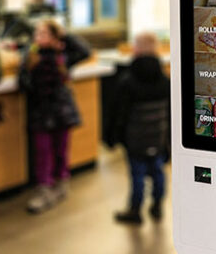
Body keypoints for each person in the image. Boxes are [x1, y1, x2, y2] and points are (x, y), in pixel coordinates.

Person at [20, 20, 90, 213]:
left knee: (61, 149)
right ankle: (44, 188)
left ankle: (61, 183)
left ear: (54, 38)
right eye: (36, 34)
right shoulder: (31, 57)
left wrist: (64, 34)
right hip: (40, 112)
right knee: (42, 151)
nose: (37, 37)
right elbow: (23, 80)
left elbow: (85, 51)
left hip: (61, 111)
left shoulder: (64, 56)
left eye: (43, 33)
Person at [106, 32, 170, 225]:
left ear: (136, 49)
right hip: (158, 138)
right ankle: (157, 205)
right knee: (158, 171)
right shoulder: (164, 80)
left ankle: (135, 210)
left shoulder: (127, 81)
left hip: (134, 140)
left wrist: (112, 137)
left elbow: (117, 113)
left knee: (137, 175)